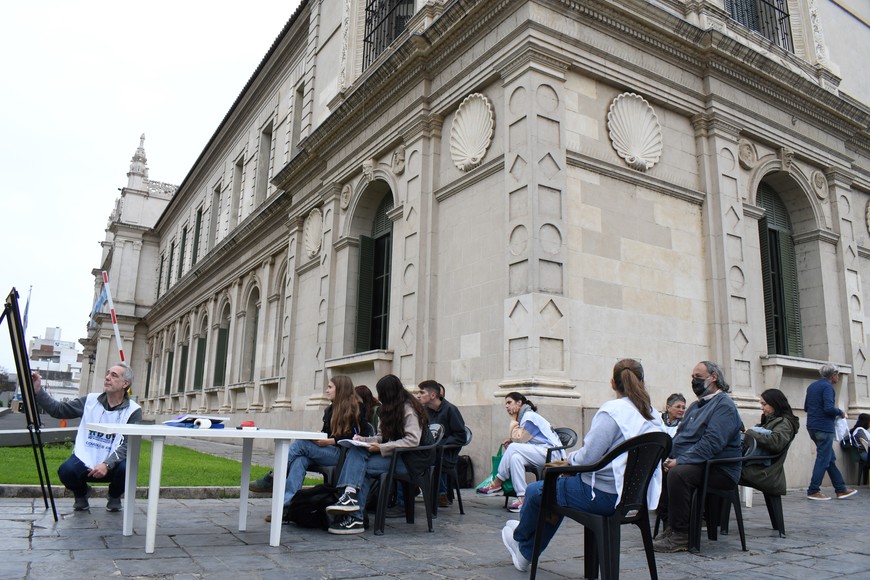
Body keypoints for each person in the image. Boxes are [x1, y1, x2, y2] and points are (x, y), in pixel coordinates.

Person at [500, 359, 665, 572]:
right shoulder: (653, 416)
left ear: (612, 383)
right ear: (642, 381)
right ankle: (525, 550)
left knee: (536, 491)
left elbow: (588, 457)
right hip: (635, 498)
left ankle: (520, 540)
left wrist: (569, 460)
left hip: (601, 496)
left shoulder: (612, 412)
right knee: (553, 491)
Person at [653, 360, 743, 553]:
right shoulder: (695, 406)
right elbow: (680, 437)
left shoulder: (724, 406)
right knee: (660, 466)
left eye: (698, 377)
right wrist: (667, 457)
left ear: (714, 378)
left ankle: (681, 535)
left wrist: (681, 460)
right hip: (701, 463)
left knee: (678, 473)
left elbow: (711, 443)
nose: (694, 381)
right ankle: (670, 525)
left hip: (720, 468)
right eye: (692, 377)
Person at [326, 374, 433, 534]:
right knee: (356, 449)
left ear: (388, 393)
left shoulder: (408, 409)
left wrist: (381, 448)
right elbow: (384, 437)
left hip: (411, 460)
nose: (378, 397)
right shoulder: (388, 409)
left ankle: (355, 516)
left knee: (362, 468)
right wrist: (365, 440)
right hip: (396, 455)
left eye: (381, 393)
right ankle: (350, 500)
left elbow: (412, 440)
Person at [249, 376, 364, 520]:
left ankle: (274, 476)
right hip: (327, 452)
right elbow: (326, 433)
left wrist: (330, 441)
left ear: (340, 389)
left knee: (300, 444)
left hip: (343, 455)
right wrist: (319, 437)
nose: (326, 390)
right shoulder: (329, 410)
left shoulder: (356, 407)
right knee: (300, 460)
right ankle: (286, 508)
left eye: (330, 387)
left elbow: (357, 436)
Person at [31, 364, 142, 512]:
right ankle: (81, 493)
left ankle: (115, 495)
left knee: (127, 468)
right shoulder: (90, 401)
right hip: (86, 457)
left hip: (113, 463)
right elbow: (59, 410)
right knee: (66, 471)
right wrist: (38, 391)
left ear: (125, 384)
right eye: (108, 373)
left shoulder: (134, 410)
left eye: (114, 375)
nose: (107, 377)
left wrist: (107, 464)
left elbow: (128, 445)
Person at [477, 392, 564, 513]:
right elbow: (523, 440)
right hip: (542, 451)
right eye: (505, 404)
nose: (507, 406)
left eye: (509, 402)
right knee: (515, 458)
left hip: (552, 454)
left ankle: (497, 482)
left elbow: (520, 438)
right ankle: (522, 498)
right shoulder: (526, 416)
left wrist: (513, 422)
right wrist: (513, 440)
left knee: (513, 448)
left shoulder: (529, 416)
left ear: (519, 403)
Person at [804, 363, 857, 501]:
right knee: (823, 458)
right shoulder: (828, 387)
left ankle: (840, 489)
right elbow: (828, 408)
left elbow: (806, 407)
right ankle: (813, 490)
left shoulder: (812, 386)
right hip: (824, 427)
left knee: (829, 458)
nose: (838, 377)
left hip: (812, 427)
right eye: (837, 374)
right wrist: (841, 412)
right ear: (833, 375)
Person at [739, 389, 800, 495]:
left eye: (764, 404)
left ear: (775, 404)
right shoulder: (771, 420)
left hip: (765, 471)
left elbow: (776, 443)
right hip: (759, 466)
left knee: (724, 470)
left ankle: (719, 511)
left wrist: (750, 432)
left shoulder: (784, 423)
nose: (761, 407)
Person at [417, 380, 467, 507]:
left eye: (421, 392)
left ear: (433, 395)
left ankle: (439, 494)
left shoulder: (450, 410)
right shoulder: (424, 410)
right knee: (406, 458)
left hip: (446, 455)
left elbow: (461, 436)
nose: (418, 396)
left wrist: (439, 444)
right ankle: (404, 499)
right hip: (428, 451)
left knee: (423, 460)